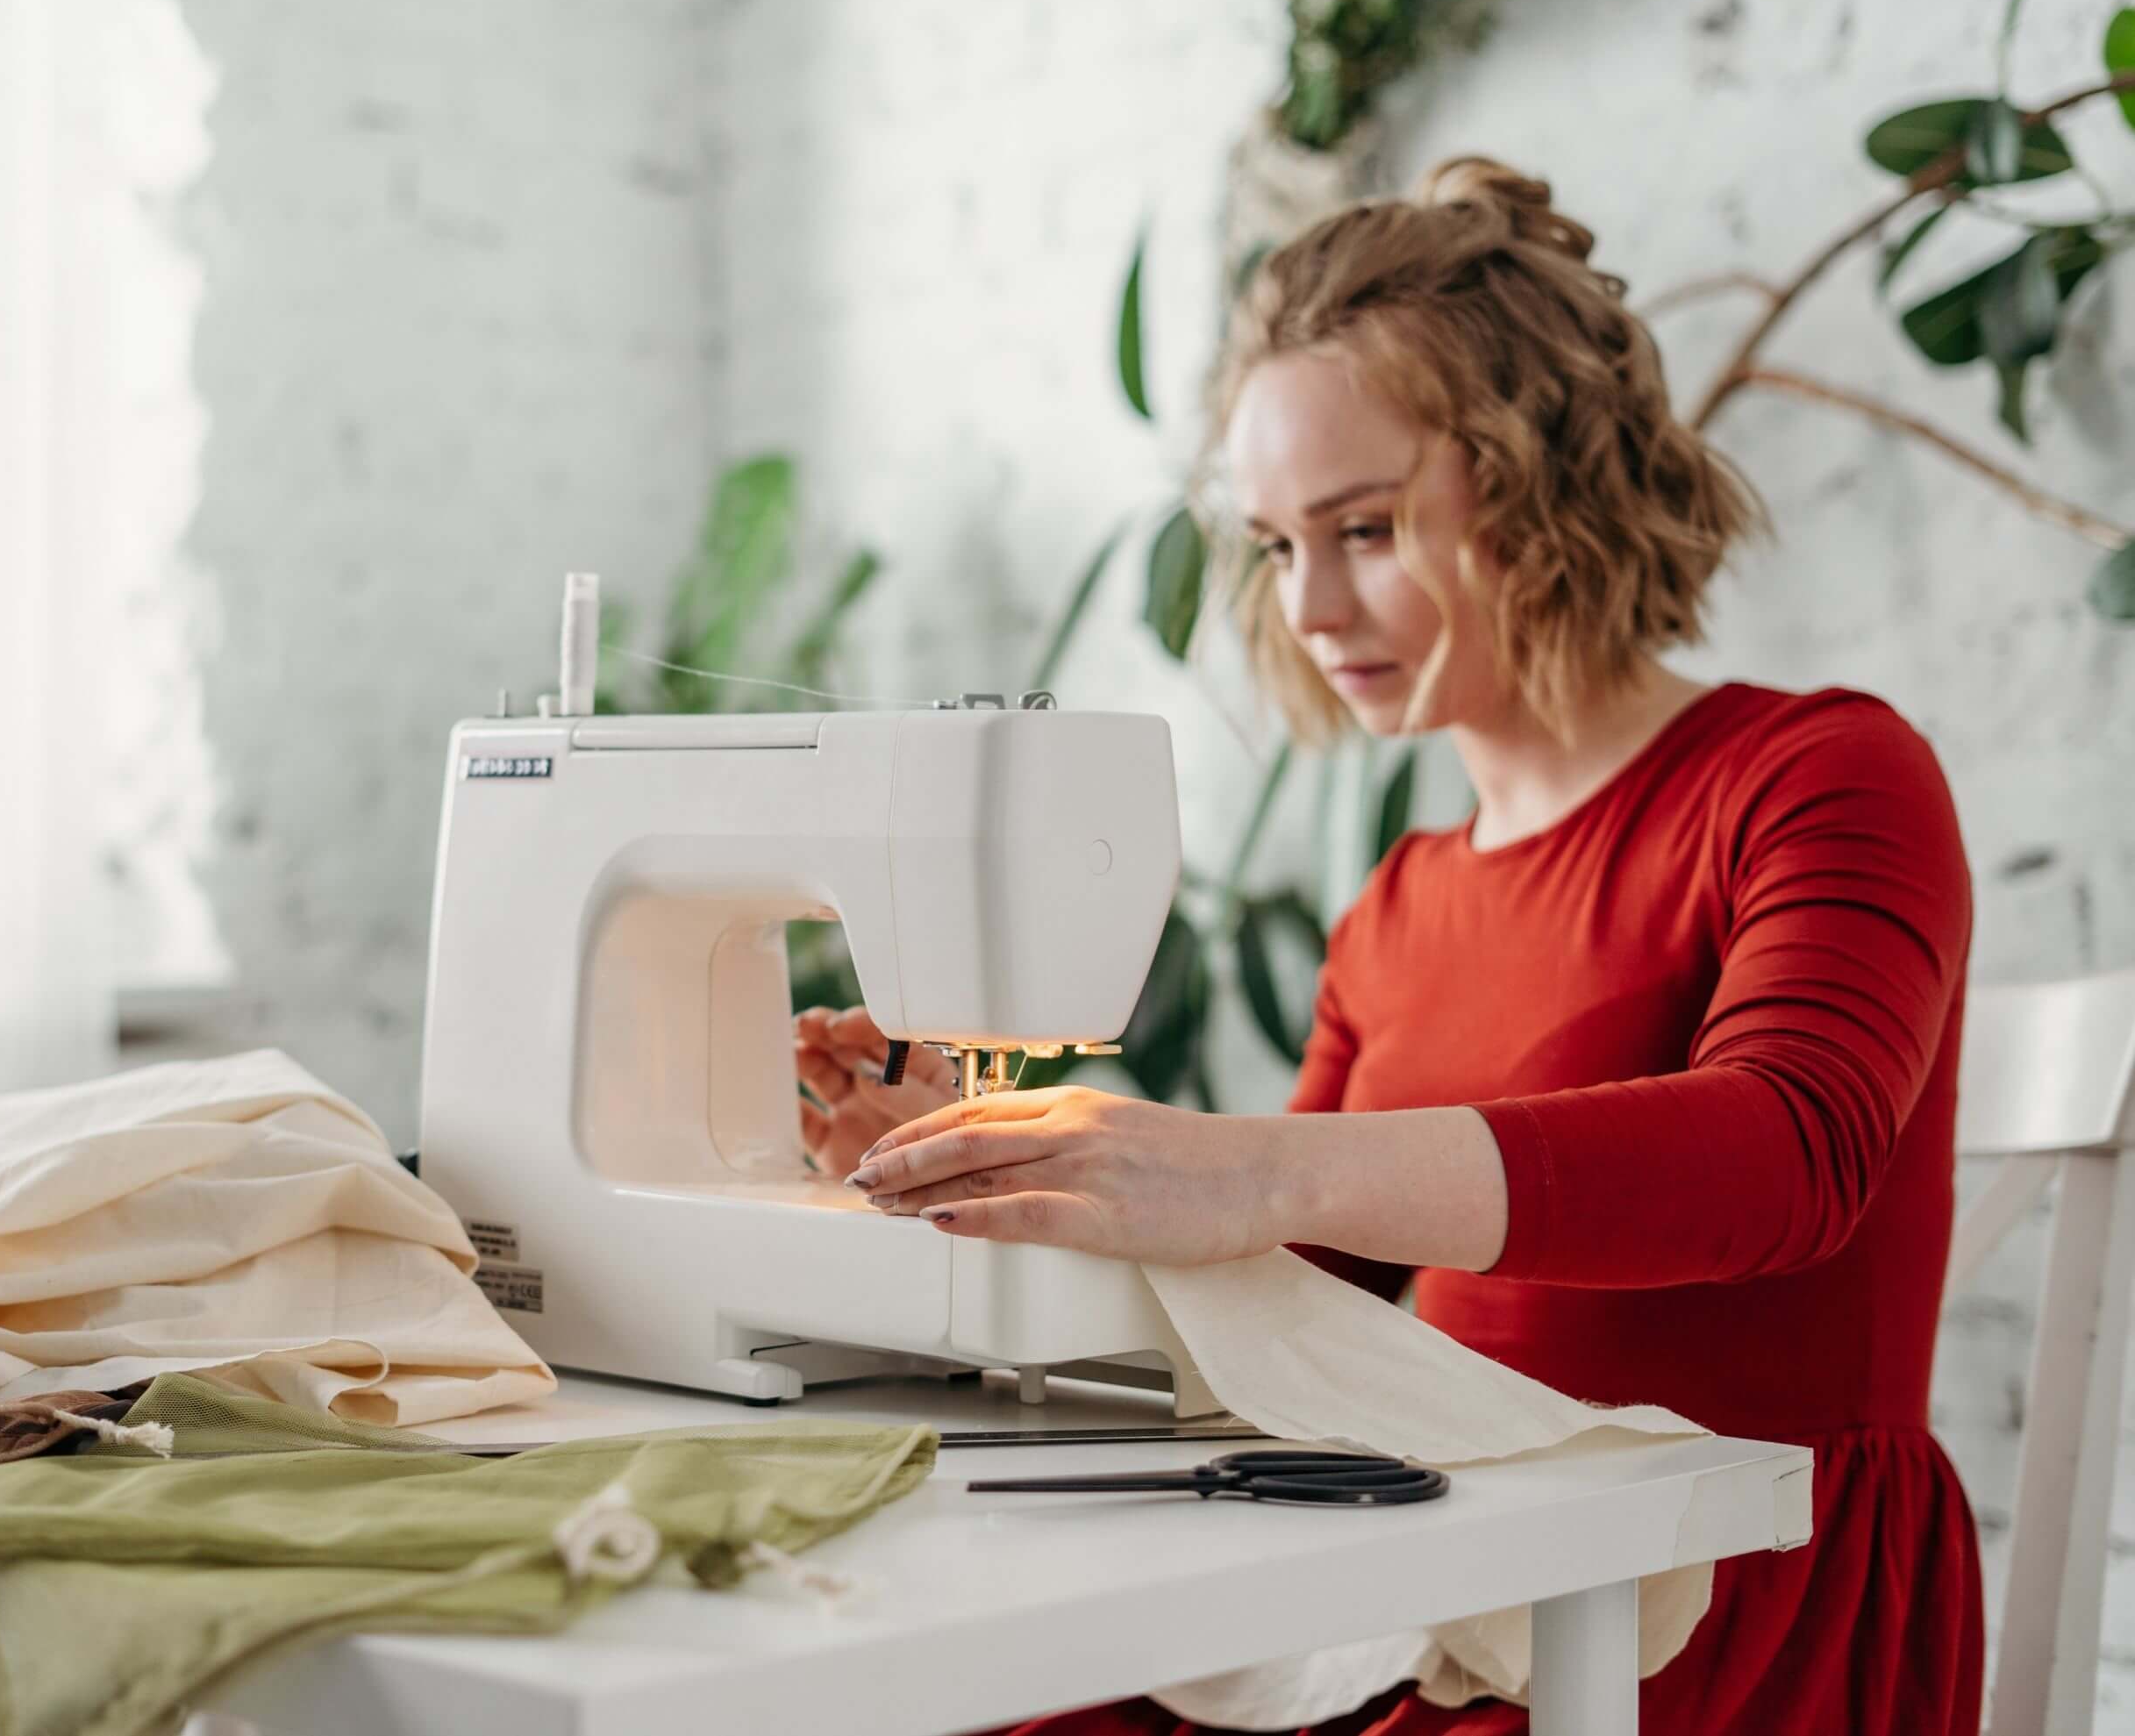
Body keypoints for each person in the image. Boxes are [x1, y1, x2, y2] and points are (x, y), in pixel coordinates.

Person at [791, 155, 1982, 1734]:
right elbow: (1294, 1289)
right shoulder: (1401, 901)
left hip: (1720, 1586)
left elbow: (1792, 1149)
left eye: (1364, 527)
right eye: (1280, 547)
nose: (1312, 606)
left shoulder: (1819, 774)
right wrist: (985, 1176)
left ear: (1548, 482)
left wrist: (1255, 1168)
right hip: (1471, 1551)